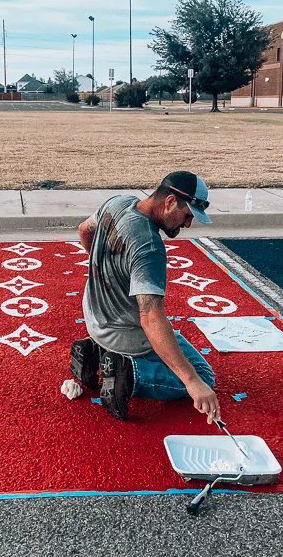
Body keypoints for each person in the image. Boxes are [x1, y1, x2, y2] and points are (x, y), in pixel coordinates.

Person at [70, 171, 220, 423]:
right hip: (123, 334)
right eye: (187, 216)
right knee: (203, 375)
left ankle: (96, 350)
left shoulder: (116, 203)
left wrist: (99, 269)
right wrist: (192, 382)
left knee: (170, 339)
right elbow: (150, 317)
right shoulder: (149, 246)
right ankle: (128, 373)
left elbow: (84, 230)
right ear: (170, 201)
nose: (187, 225)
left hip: (94, 316)